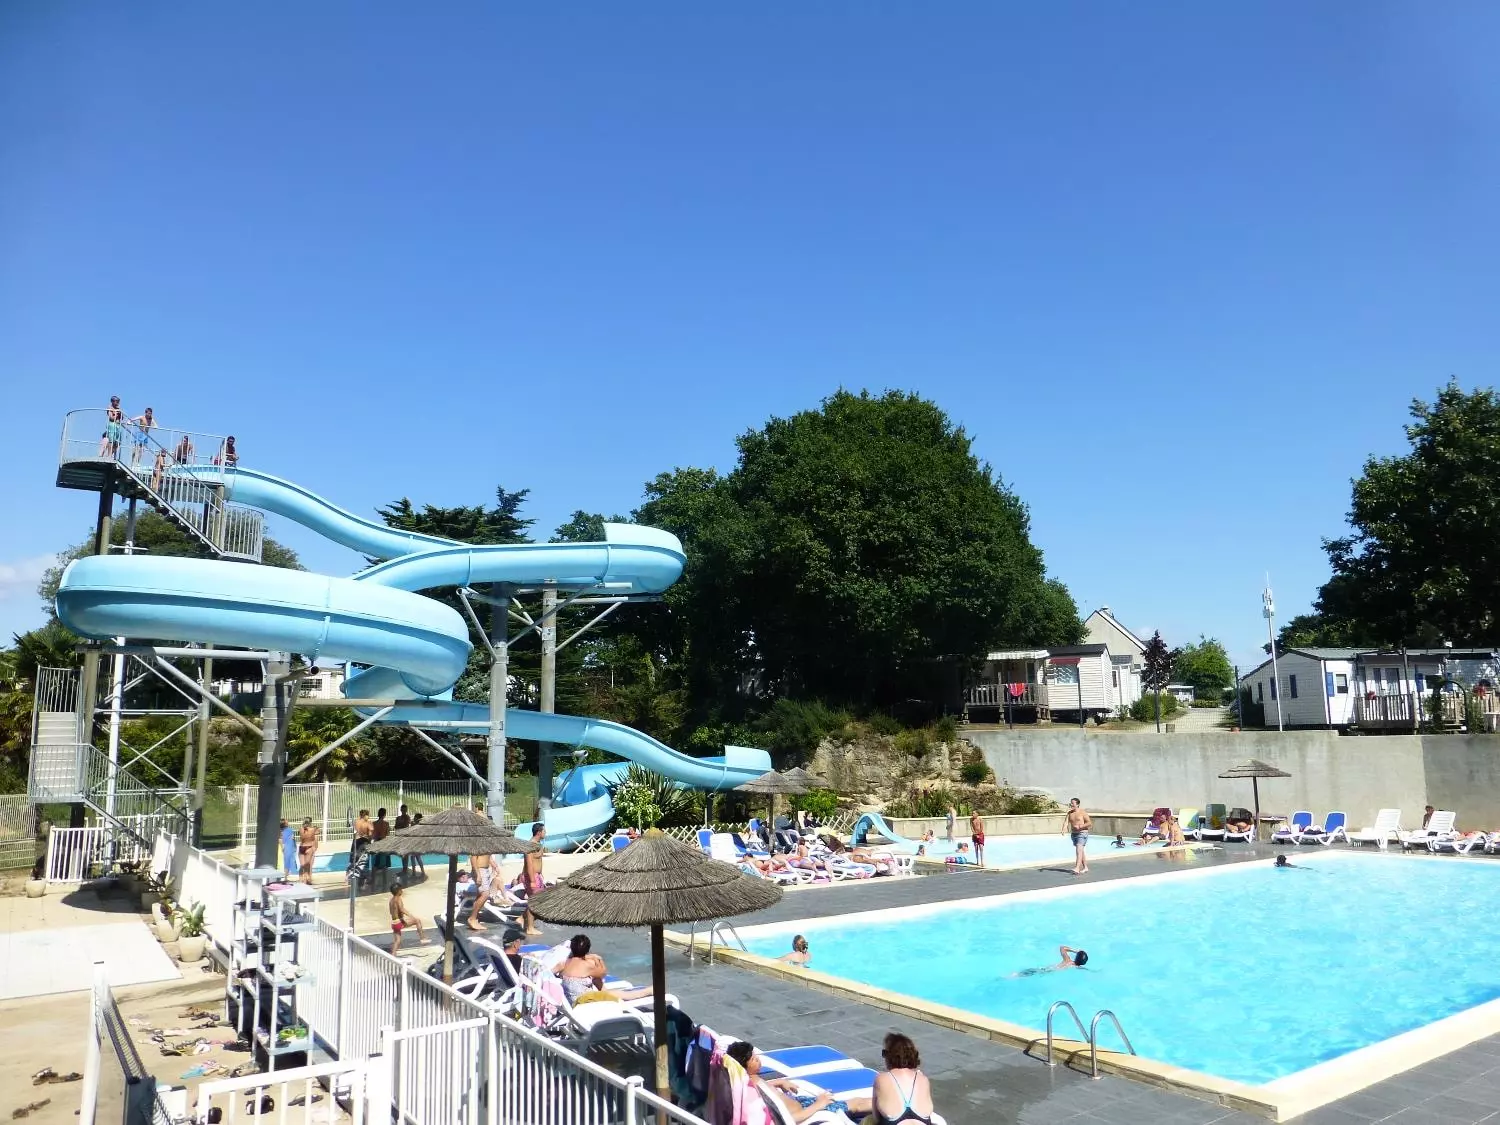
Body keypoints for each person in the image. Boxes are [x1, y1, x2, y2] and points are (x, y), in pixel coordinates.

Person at [724, 1040, 872, 1123]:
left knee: (851, 1101)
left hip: (800, 1104)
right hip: (805, 1113)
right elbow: (789, 1119)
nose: (759, 1060)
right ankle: (884, 1107)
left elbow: (762, 1088)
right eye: (754, 1059)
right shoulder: (754, 1092)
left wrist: (779, 1082)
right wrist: (818, 1104)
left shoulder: (747, 1082)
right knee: (856, 1104)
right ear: (743, 1066)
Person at [556, 934, 653, 1003]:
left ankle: (605, 992)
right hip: (586, 1001)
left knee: (595, 979)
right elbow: (603, 973)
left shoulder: (564, 963)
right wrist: (598, 958)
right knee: (616, 993)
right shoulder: (588, 965)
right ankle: (647, 991)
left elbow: (550, 972)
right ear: (588, 949)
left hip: (572, 1001)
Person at [872, 1032, 936, 1125]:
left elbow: (876, 1118)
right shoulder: (924, 1080)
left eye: (884, 1053)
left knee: (867, 1120)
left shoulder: (881, 1079)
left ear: (889, 1057)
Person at [514, 823, 547, 936]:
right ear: (539, 832)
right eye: (544, 831)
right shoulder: (530, 845)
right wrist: (532, 880)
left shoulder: (538, 844)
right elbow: (529, 863)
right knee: (535, 901)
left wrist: (540, 874)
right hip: (530, 876)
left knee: (539, 901)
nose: (545, 833)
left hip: (537, 876)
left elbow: (538, 861)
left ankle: (521, 919)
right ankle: (530, 928)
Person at [388, 885, 426, 953]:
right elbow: (401, 909)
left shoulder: (391, 900)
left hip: (394, 923)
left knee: (397, 941)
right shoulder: (398, 898)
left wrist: (400, 917)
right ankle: (423, 939)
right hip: (399, 922)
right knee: (417, 921)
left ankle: (392, 955)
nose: (402, 891)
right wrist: (410, 915)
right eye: (401, 890)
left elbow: (391, 912)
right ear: (398, 891)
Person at [467, 849, 497, 932]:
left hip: (485, 870)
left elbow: (488, 856)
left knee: (480, 895)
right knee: (485, 894)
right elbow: (473, 857)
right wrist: (477, 874)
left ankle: (474, 918)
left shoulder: (486, 844)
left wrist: (494, 866)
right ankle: (472, 918)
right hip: (480, 870)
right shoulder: (477, 843)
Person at [1013, 946, 1089, 976]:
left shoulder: (1067, 960)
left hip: (1047, 970)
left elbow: (1062, 947)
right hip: (1049, 972)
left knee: (1028, 972)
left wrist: (1075, 951)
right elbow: (1085, 969)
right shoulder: (1076, 967)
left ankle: (1014, 975)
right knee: (1029, 974)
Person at [1067, 798, 1092, 875]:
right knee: (1080, 851)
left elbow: (1089, 823)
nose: (1071, 804)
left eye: (1073, 803)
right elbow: (1067, 822)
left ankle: (1077, 868)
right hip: (1074, 834)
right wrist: (1064, 828)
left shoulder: (1082, 812)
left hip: (1082, 833)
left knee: (1078, 849)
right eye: (1071, 803)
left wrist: (1080, 826)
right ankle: (1085, 867)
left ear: (1077, 804)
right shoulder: (1070, 813)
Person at [371, 808, 391, 885]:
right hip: (383, 843)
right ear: (384, 815)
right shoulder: (386, 824)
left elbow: (373, 835)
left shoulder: (374, 823)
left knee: (375, 864)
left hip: (376, 843)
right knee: (384, 865)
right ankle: (385, 882)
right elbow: (387, 834)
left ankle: (373, 880)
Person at [297, 817, 319, 884]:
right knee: (308, 865)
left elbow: (301, 838)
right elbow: (315, 837)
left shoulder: (300, 829)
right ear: (310, 822)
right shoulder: (313, 829)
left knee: (302, 865)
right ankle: (308, 879)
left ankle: (301, 879)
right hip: (309, 847)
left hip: (302, 847)